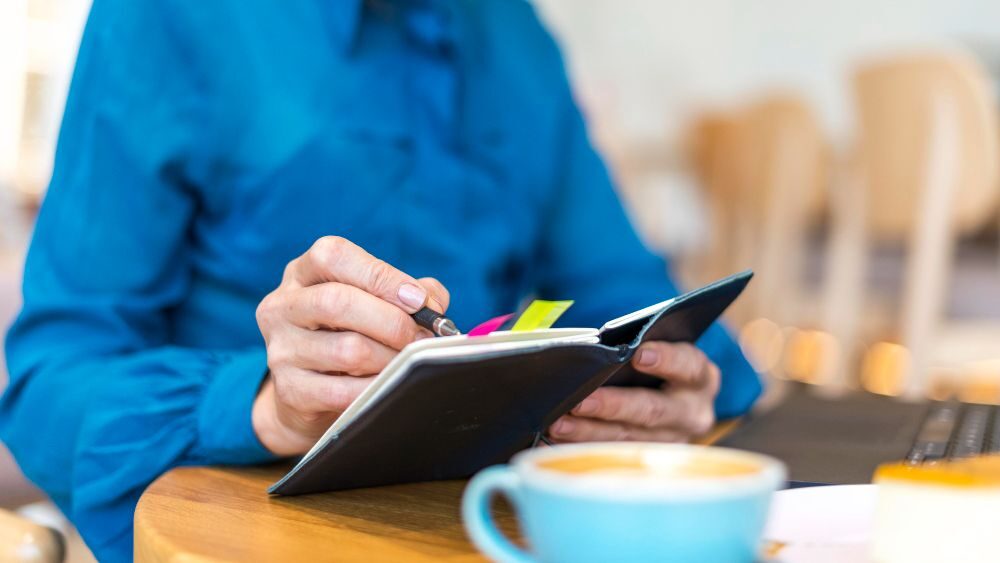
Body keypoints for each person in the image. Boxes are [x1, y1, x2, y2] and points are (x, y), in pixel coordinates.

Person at [0, 0, 762, 560]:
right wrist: (265, 404)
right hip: (242, 533)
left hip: (500, 530)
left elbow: (628, 292)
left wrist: (677, 386)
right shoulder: (165, 19)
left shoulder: (519, 37)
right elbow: (50, 381)